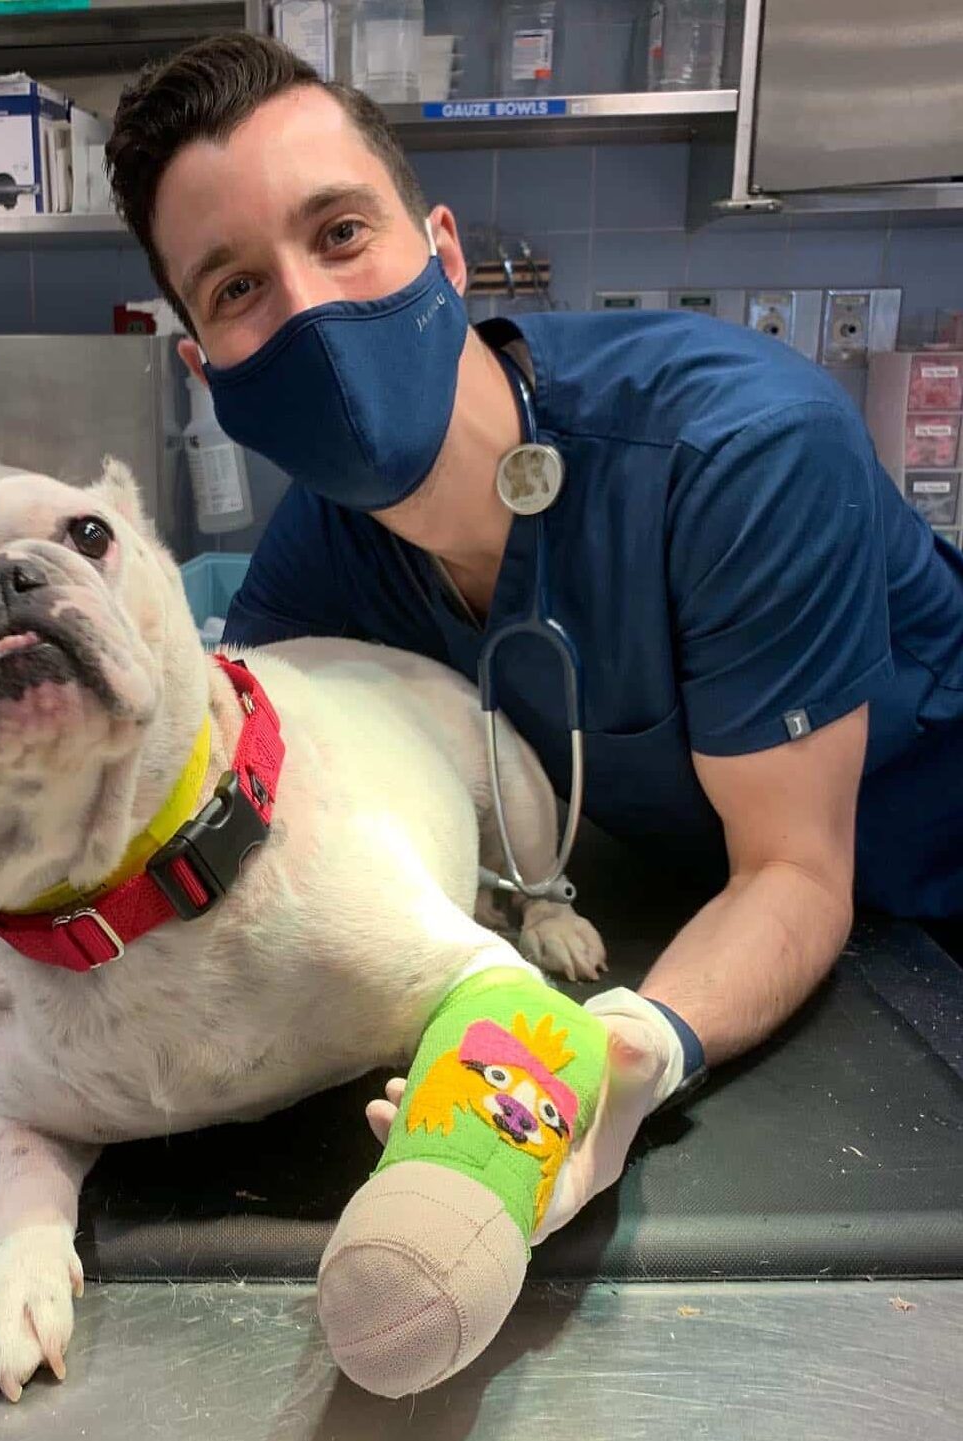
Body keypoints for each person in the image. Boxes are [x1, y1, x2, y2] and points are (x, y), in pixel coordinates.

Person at [104, 33, 963, 1231]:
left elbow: (794, 870)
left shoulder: (738, 455)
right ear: (205, 367)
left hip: (917, 901)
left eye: (341, 232)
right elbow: (253, 808)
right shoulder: (322, 556)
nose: (308, 311)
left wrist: (626, 1059)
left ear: (444, 255)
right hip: (688, 896)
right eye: (239, 286)